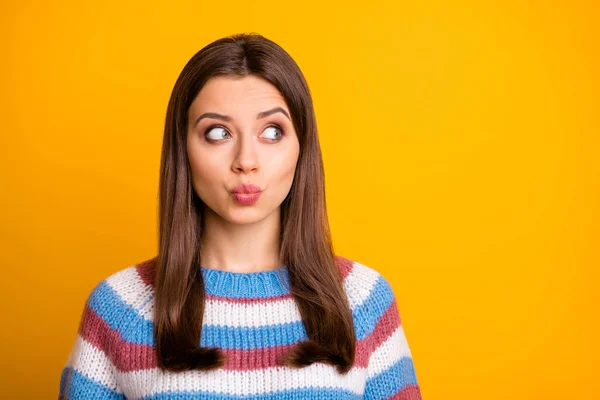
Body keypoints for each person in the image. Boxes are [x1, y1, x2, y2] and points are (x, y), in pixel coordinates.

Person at [58, 32, 422, 399]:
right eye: (218, 133)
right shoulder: (118, 308)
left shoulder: (363, 300)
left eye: (272, 131)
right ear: (182, 148)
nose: (246, 161)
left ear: (302, 146)